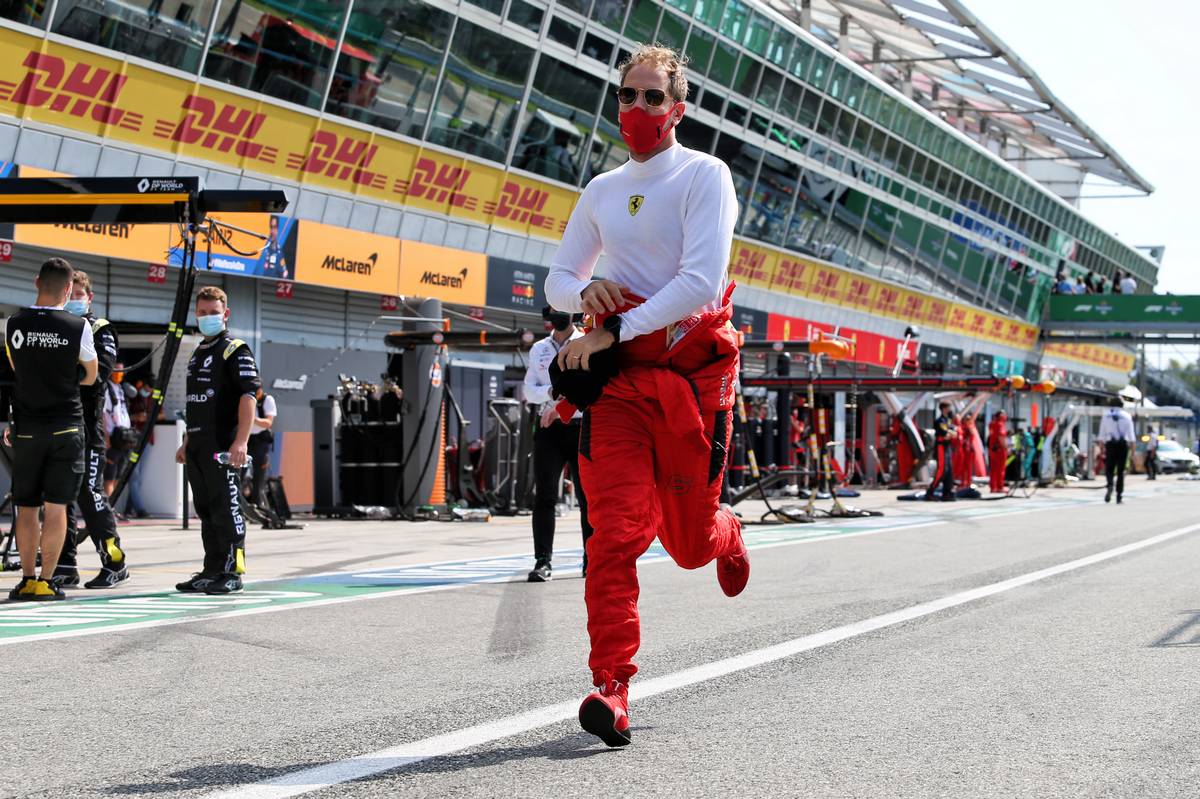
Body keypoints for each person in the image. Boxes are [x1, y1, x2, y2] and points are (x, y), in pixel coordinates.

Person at [544, 44, 746, 747]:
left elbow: (698, 282)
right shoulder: (602, 189)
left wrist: (613, 326)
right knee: (613, 538)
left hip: (692, 381)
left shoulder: (705, 175)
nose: (636, 109)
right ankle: (612, 685)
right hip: (622, 387)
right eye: (626, 96)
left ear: (678, 107)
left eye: (652, 97)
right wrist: (584, 295)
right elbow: (559, 278)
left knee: (688, 547)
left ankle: (727, 532)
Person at [3, 258, 98, 601]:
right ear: (69, 289)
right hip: (66, 427)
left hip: (26, 428)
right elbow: (91, 374)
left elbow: (17, 366)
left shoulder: (14, 321)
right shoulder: (77, 326)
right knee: (57, 507)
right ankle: (46, 580)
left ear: (36, 282)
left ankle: (27, 579)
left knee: (26, 506)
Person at [174, 286, 261, 594]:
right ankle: (212, 570)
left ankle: (232, 571)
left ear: (226, 314)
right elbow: (196, 403)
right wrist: (187, 441)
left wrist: (241, 442)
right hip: (198, 443)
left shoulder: (234, 349)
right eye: (202, 312)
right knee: (207, 510)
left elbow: (249, 396)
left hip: (223, 445)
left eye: (213, 312)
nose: (207, 317)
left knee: (227, 508)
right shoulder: (199, 352)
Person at [53, 270, 130, 589]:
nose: (73, 300)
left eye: (79, 295)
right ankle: (64, 564)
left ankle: (115, 562)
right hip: (60, 427)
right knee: (59, 498)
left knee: (91, 495)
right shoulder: (55, 327)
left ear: (89, 297)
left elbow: (101, 372)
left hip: (88, 429)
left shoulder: (100, 329)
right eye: (68, 294)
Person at [523, 306, 592, 582]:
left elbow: (588, 386)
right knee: (545, 497)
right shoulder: (539, 348)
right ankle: (543, 562)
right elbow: (529, 391)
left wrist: (563, 400)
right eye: (554, 310)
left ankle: (592, 560)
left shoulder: (585, 341)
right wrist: (551, 391)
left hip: (580, 427)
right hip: (548, 429)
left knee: (588, 499)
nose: (559, 314)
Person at [101, 361, 132, 498]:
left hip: (124, 438)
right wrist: (106, 438)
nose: (119, 373)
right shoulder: (107, 388)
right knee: (110, 476)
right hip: (113, 438)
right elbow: (103, 414)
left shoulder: (120, 388)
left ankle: (112, 506)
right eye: (116, 370)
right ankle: (109, 508)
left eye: (121, 371)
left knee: (119, 475)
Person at [1098, 396, 1134, 503]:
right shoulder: (1127, 416)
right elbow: (1131, 437)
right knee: (1120, 471)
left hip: (1110, 444)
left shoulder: (1106, 415)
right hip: (1123, 445)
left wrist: (1102, 448)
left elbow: (1101, 435)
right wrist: (1132, 452)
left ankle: (1110, 485)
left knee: (1109, 469)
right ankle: (1119, 495)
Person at [246, 387, 277, 509]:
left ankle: (257, 503)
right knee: (240, 473)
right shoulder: (244, 398)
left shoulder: (266, 400)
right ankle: (240, 503)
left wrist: (252, 419)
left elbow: (268, 423)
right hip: (246, 438)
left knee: (259, 474)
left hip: (260, 439)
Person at [926, 401, 957, 501]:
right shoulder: (939, 421)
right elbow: (946, 434)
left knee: (949, 471)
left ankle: (947, 493)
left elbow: (954, 432)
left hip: (947, 448)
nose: (950, 409)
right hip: (941, 447)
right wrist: (951, 432)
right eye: (948, 407)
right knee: (942, 470)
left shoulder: (948, 420)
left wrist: (951, 432)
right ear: (944, 408)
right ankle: (930, 492)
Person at [988, 410, 1008, 493]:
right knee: (1000, 469)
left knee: (993, 469)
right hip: (999, 450)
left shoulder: (992, 424)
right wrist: (1006, 447)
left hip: (992, 449)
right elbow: (1001, 437)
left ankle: (993, 487)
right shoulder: (1000, 424)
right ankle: (1000, 487)